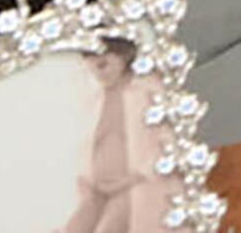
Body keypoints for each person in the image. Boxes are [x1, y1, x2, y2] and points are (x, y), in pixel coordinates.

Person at [54, 39, 162, 233]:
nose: (97, 73)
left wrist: (135, 177)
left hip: (133, 186)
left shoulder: (146, 93)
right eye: (90, 68)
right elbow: (86, 144)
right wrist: (87, 179)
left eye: (103, 65)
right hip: (97, 189)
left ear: (124, 57)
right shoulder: (93, 99)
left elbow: (164, 142)